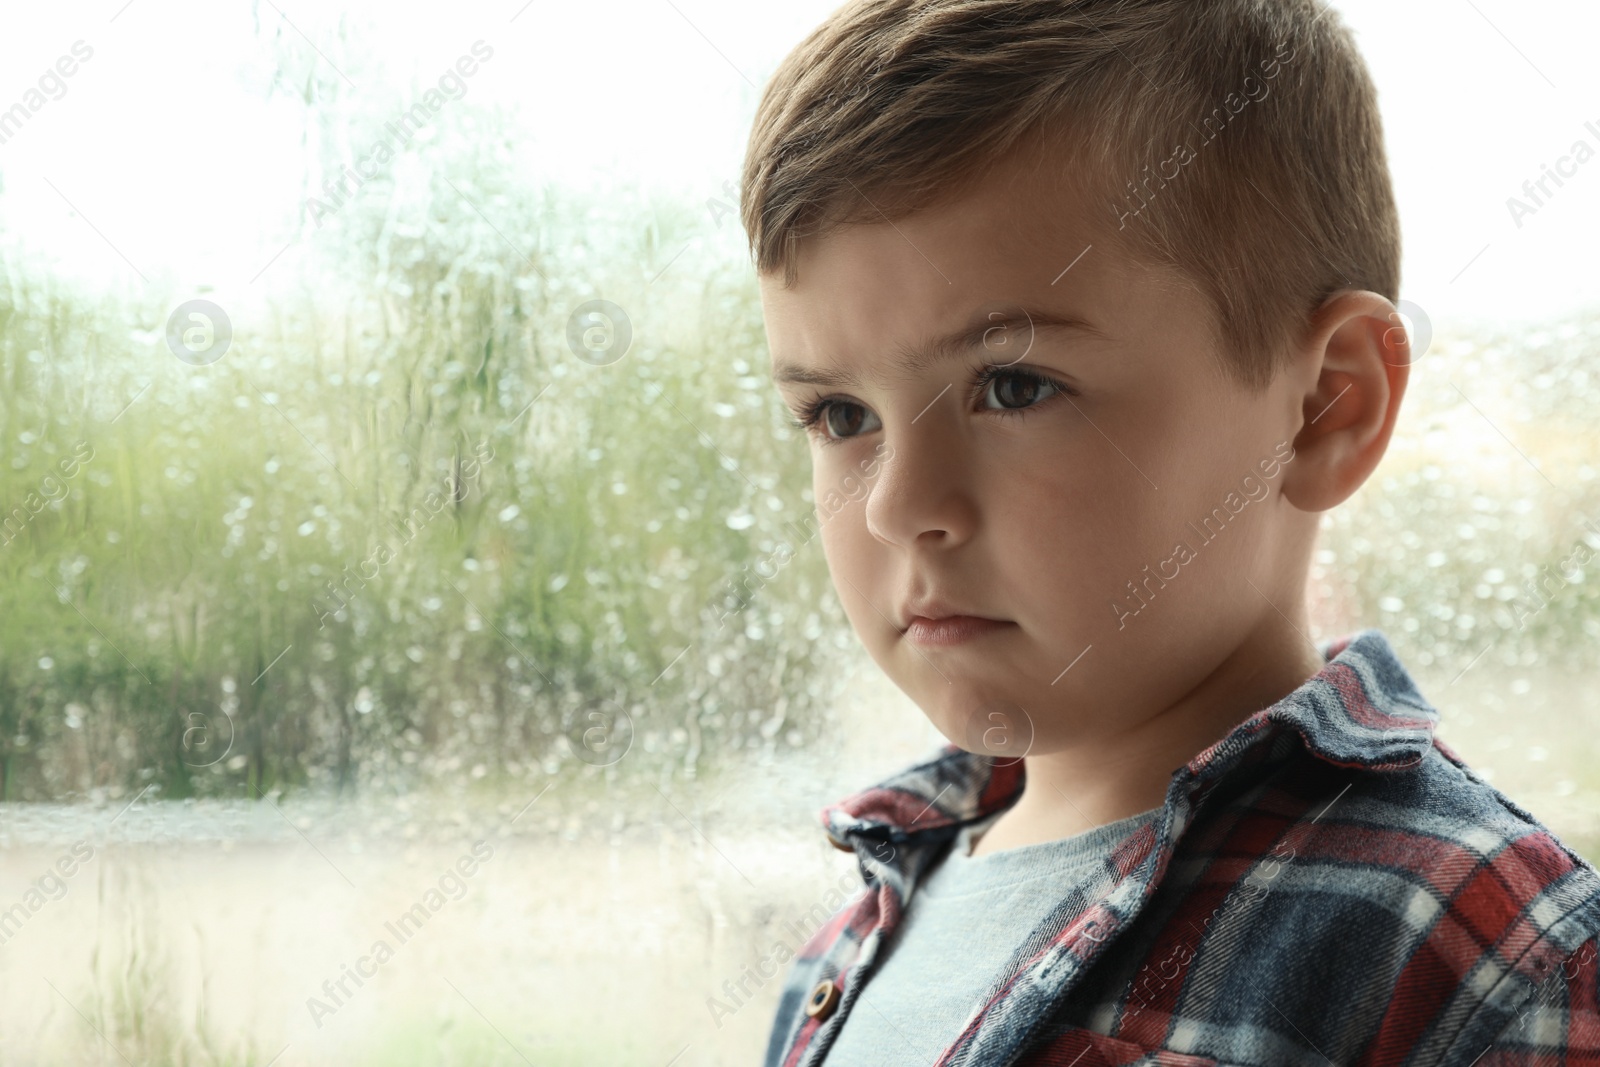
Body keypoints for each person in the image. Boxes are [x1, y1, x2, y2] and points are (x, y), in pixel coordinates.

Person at [737, 1, 1600, 1064]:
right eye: (840, 415)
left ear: (1325, 406)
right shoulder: (849, 942)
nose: (895, 504)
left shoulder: (1490, 960)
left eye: (1012, 386)